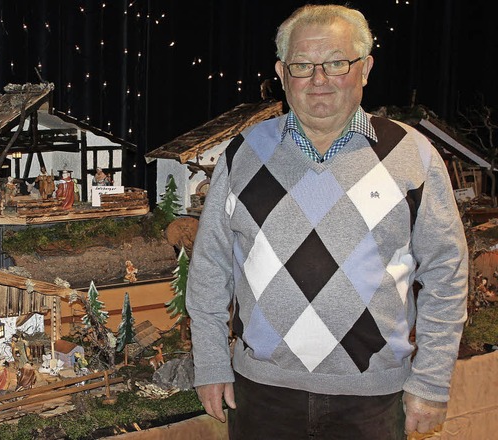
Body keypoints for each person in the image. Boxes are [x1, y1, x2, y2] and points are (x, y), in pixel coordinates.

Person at [186, 4, 468, 440]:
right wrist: (209, 362)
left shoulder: (413, 154)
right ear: (282, 74)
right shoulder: (242, 154)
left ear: (365, 68)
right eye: (302, 65)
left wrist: (430, 382)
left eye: (337, 62)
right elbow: (208, 269)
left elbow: (446, 276)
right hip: (261, 394)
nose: (319, 79)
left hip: (373, 399)